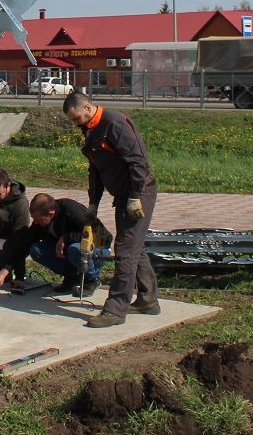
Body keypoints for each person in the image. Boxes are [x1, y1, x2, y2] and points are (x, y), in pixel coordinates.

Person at [63, 92, 159, 328]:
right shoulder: (92, 129)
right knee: (134, 246)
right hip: (124, 194)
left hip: (139, 193)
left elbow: (138, 162)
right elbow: (95, 170)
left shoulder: (114, 123)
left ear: (87, 107)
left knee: (125, 249)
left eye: (77, 119)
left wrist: (135, 197)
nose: (76, 125)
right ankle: (148, 299)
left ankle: (116, 310)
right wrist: (93, 202)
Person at [0, 193, 111, 296]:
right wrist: (5, 271)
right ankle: (72, 276)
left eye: (38, 219)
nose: (35, 222)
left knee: (74, 249)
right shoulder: (40, 223)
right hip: (71, 253)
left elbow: (101, 236)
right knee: (35, 249)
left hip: (99, 249)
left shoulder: (72, 210)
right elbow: (25, 245)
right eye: (34, 219)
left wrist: (66, 238)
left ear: (50, 214)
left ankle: (92, 279)